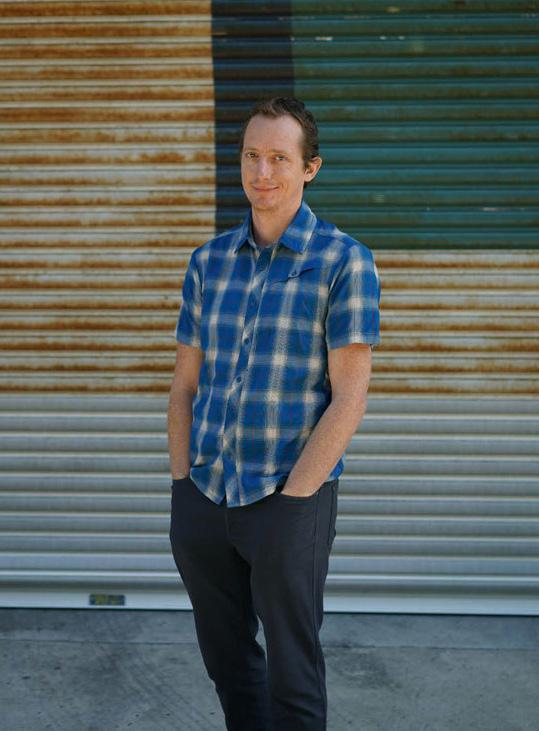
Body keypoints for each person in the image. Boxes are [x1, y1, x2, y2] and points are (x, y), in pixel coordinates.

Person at [168, 96, 381, 731]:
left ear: (310, 168)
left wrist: (295, 501)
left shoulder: (343, 261)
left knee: (294, 673)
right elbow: (184, 385)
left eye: (280, 159)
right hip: (207, 494)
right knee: (227, 660)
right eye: (251, 156)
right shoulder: (208, 262)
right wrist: (182, 487)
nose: (263, 172)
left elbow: (349, 397)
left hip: (288, 500)